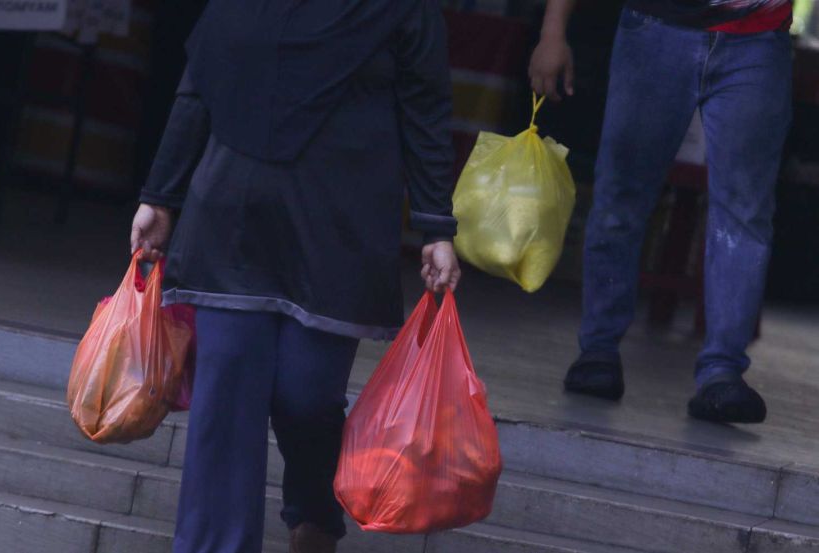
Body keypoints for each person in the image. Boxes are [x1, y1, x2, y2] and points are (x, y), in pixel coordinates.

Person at [130, 1, 461, 551]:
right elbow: (200, 85)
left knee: (305, 394)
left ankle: (312, 505)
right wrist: (159, 197)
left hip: (340, 222)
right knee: (227, 390)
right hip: (233, 212)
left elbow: (426, 111)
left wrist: (435, 226)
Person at [529, 0, 793, 424]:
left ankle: (722, 372)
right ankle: (598, 350)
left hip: (758, 42)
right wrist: (553, 31)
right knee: (621, 198)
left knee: (744, 215)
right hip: (655, 30)